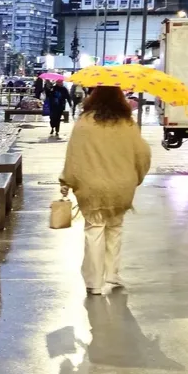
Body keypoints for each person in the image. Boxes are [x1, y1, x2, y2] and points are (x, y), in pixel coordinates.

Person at [59, 86, 151, 296]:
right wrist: (137, 177)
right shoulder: (127, 124)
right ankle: (112, 274)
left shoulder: (84, 123)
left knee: (94, 229)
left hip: (91, 186)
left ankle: (94, 282)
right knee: (115, 228)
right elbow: (143, 154)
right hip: (121, 186)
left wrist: (67, 181)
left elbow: (74, 155)